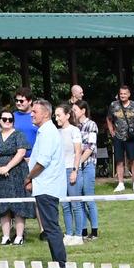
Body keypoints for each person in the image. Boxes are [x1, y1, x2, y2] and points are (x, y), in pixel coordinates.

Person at [23, 98, 68, 268]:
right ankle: (57, 261)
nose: (31, 115)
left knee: (51, 226)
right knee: (49, 226)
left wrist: (29, 177)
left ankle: (60, 263)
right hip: (45, 185)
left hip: (48, 186)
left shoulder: (48, 133)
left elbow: (42, 162)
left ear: (46, 113)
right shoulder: (44, 132)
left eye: (35, 112)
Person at [0, 109, 32, 245]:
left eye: (10, 119)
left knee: (18, 205)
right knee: (3, 205)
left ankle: (19, 236)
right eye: (4, 119)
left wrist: (7, 167)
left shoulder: (19, 135)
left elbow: (21, 153)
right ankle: (5, 236)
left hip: (17, 173)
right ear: (0, 121)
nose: (7, 122)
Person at [68, 101, 100, 241]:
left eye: (74, 110)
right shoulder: (74, 127)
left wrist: (78, 163)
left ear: (82, 111)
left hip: (87, 165)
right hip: (77, 166)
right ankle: (82, 229)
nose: (72, 113)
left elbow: (90, 147)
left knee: (89, 198)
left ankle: (94, 230)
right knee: (79, 199)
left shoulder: (91, 125)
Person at [106, 85, 134, 192]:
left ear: (129, 94)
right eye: (121, 93)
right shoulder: (114, 105)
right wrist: (111, 130)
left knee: (133, 160)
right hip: (118, 137)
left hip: (131, 137)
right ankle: (120, 183)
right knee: (119, 161)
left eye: (125, 93)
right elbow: (109, 118)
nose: (122, 95)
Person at [55, 104, 85, 247]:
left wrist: (74, 170)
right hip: (60, 172)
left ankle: (78, 235)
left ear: (67, 115)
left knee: (75, 204)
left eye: (59, 115)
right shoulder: (57, 132)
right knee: (65, 205)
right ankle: (68, 233)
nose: (57, 118)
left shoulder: (75, 130)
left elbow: (78, 152)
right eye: (55, 115)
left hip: (71, 170)